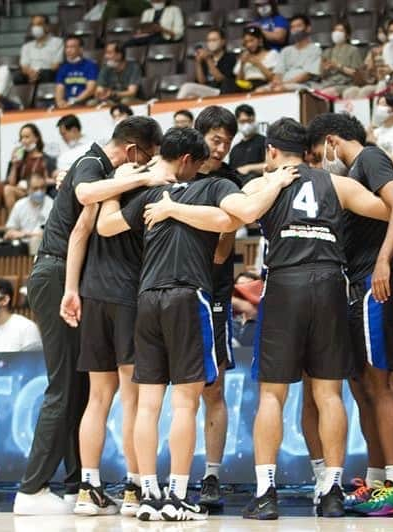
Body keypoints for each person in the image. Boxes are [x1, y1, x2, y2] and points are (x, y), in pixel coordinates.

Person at [97, 127, 301, 521]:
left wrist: (118, 185)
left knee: (145, 404)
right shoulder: (213, 187)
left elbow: (106, 226)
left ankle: (146, 494)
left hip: (147, 298)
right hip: (188, 296)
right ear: (191, 160)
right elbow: (246, 212)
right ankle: (175, 496)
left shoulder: (150, 195)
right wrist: (274, 181)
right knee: (185, 402)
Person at [241, 118, 393, 520]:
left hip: (285, 285)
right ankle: (331, 491)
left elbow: (237, 214)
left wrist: (271, 183)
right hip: (331, 283)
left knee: (272, 395)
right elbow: (391, 208)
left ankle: (265, 493)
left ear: (272, 151)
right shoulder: (337, 184)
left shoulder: (264, 184)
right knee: (328, 394)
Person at [13, 116, 171, 515]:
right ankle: (30, 490)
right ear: (134, 151)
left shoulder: (104, 171)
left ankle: (76, 486)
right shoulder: (93, 163)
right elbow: (84, 196)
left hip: (75, 279)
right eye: (147, 158)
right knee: (65, 385)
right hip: (56, 271)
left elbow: (85, 224)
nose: (148, 166)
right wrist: (142, 180)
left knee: (83, 389)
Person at [307, 113, 393, 513]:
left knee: (382, 387)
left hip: (379, 286)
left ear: (331, 141)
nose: (321, 162)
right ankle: (377, 480)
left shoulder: (370, 159)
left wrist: (383, 261)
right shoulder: (352, 175)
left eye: (319, 153)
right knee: (363, 390)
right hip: (355, 287)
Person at [64, 117, 169, 518]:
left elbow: (80, 232)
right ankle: (132, 487)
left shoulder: (109, 185)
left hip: (93, 292)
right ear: (136, 151)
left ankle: (88, 488)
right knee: (131, 399)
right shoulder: (150, 187)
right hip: (127, 296)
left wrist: (73, 288)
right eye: (150, 154)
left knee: (97, 397)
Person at [190, 106, 242, 509]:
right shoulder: (178, 174)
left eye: (227, 141)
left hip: (215, 292)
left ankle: (211, 476)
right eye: (216, 139)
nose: (222, 147)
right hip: (171, 289)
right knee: (167, 390)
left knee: (214, 387)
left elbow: (225, 247)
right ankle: (155, 479)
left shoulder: (231, 181)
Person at [257, 15, 320, 92]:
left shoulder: (315, 50)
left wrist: (284, 84)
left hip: (304, 84)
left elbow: (307, 75)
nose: (295, 30)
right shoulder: (286, 50)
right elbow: (278, 73)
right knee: (260, 90)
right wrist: (276, 82)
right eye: (292, 27)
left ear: (308, 28)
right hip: (283, 84)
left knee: (279, 89)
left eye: (298, 26)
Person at [3, 123, 57, 210]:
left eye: (27, 137)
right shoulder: (19, 159)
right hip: (23, 192)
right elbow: (11, 184)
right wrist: (14, 165)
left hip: (39, 192)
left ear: (36, 138)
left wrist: (34, 184)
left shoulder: (46, 159)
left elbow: (53, 180)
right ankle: (14, 222)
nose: (23, 141)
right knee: (8, 189)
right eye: (21, 138)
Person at [177, 28, 237, 99]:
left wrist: (208, 60)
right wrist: (198, 62)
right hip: (207, 89)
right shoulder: (205, 58)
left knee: (187, 87)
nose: (211, 43)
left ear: (223, 41)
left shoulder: (230, 57)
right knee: (190, 96)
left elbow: (220, 79)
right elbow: (201, 82)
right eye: (209, 40)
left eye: (214, 40)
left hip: (222, 90)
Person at [3, 174, 53, 256]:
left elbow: (50, 234)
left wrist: (26, 234)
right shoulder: (19, 205)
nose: (39, 191)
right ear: (28, 190)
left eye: (42, 188)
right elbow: (9, 231)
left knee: (35, 240)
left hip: (42, 244)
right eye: (35, 188)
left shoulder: (51, 204)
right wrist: (21, 234)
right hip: (21, 243)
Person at [341, 21, 393, 99]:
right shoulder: (373, 50)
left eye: (383, 31)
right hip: (373, 82)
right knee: (349, 92)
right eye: (379, 32)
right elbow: (368, 70)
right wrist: (372, 57)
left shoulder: (392, 48)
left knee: (365, 91)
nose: (381, 34)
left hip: (387, 82)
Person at [316, 21, 363, 97]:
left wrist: (338, 66)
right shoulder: (327, 52)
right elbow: (321, 75)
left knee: (324, 94)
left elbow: (356, 73)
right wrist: (325, 69)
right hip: (327, 83)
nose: (337, 33)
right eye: (335, 30)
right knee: (310, 92)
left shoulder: (353, 50)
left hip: (345, 85)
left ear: (347, 35)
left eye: (341, 31)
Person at [55, 35, 98, 109]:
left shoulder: (90, 65)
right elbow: (59, 87)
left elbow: (91, 89)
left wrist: (74, 101)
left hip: (84, 101)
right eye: (67, 47)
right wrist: (60, 102)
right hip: (67, 102)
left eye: (72, 47)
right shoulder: (63, 68)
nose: (68, 50)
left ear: (80, 49)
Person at [18, 15, 63, 85]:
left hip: (48, 74)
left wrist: (38, 73)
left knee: (48, 74)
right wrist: (31, 73)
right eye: (33, 25)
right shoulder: (26, 46)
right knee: (18, 77)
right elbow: (24, 67)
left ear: (47, 27)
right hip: (30, 75)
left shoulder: (58, 42)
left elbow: (56, 66)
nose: (35, 28)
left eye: (39, 24)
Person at [233, 26, 279, 92]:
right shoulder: (244, 55)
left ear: (260, 40)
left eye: (252, 40)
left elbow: (272, 78)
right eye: (246, 42)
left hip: (263, 84)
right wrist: (242, 64)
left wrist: (258, 64)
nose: (249, 45)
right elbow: (238, 80)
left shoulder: (272, 54)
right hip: (245, 85)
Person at [229, 104, 266, 181]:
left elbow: (271, 166)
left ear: (254, 119)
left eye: (249, 121)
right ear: (237, 122)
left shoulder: (264, 141)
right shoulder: (235, 149)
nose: (246, 125)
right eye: (242, 121)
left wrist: (249, 168)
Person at [231, 271, 260, 346]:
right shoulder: (229, 318)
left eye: (248, 285)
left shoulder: (264, 318)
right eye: (240, 285)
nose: (242, 290)